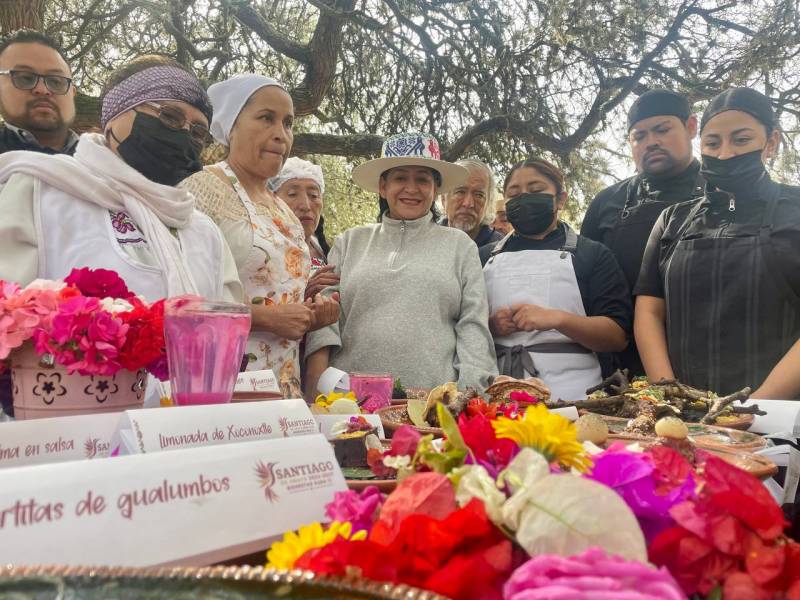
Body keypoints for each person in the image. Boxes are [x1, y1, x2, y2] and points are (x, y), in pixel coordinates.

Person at [0, 54, 242, 301]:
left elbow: (226, 322)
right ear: (116, 114)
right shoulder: (38, 191)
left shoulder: (202, 230)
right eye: (170, 117)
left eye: (198, 131)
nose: (183, 133)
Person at [635, 87, 800, 396]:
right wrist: (669, 393)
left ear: (771, 142)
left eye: (741, 140)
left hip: (781, 417)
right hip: (684, 416)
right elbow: (649, 312)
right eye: (713, 142)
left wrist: (753, 407)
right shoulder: (673, 220)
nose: (725, 154)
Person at [304, 132, 498, 396]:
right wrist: (316, 392)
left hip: (433, 405)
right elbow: (324, 323)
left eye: (422, 179)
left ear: (435, 189)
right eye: (400, 178)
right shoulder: (350, 242)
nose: (411, 188)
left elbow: (473, 326)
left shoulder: (460, 247)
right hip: (350, 401)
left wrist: (470, 396)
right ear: (383, 187)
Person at [181, 74, 338, 398]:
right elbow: (179, 300)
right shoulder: (204, 189)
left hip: (283, 390)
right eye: (266, 118)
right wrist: (265, 318)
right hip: (224, 388)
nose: (280, 135)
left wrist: (309, 313)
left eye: (288, 123)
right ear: (232, 127)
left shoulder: (280, 208)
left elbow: (275, 294)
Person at [480, 158, 631, 400]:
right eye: (514, 193)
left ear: (561, 199)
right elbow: (462, 328)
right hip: (497, 392)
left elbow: (617, 336)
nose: (524, 198)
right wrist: (490, 326)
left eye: (536, 190)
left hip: (573, 397)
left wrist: (558, 319)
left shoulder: (592, 254)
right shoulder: (484, 257)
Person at [580, 90, 704, 375]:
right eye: (640, 136)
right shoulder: (605, 202)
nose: (652, 142)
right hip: (620, 362)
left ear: (691, 127)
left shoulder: (721, 192)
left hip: (702, 351)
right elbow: (584, 284)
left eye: (662, 130)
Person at [269, 157, 338, 300]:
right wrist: (303, 293)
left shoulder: (328, 250)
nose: (306, 205)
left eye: (313, 195)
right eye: (292, 194)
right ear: (273, 200)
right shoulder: (264, 250)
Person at [0, 29, 77, 155]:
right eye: (25, 78)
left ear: (72, 94)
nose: (42, 90)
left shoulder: (107, 160)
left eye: (56, 81)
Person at [441, 158, 502, 247]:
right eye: (460, 192)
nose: (468, 203)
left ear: (488, 203)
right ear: (444, 199)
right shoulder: (427, 240)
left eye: (479, 195)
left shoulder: (501, 250)